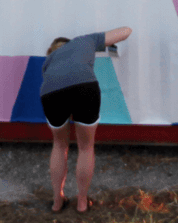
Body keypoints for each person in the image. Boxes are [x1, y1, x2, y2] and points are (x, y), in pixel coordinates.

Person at [39, 27, 133, 213]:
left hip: (50, 92)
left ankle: (57, 201)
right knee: (86, 147)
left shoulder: (48, 62)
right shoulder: (84, 40)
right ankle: (82, 203)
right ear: (70, 42)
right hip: (84, 86)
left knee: (59, 145)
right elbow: (125, 31)